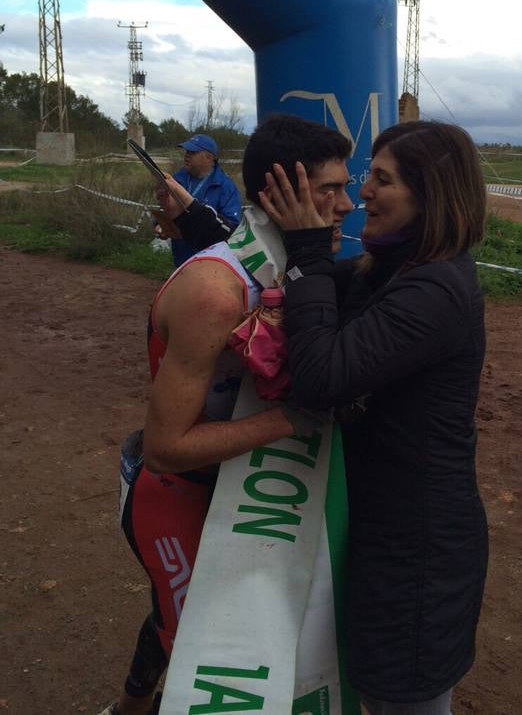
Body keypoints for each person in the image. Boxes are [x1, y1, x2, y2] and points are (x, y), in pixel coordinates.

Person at [99, 116, 353, 715]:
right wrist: (293, 420)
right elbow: (166, 446)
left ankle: (130, 707)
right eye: (330, 190)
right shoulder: (217, 292)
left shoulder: (283, 262)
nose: (348, 204)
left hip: (237, 489)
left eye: (348, 187)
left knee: (185, 619)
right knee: (204, 646)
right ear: (280, 194)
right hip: (176, 492)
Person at [260, 120, 489, 715]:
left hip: (419, 549)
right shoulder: (392, 267)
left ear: (430, 194)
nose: (362, 194)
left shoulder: (437, 288)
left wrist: (308, 251)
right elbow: (322, 293)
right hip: (388, 526)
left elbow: (321, 378)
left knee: (402, 690)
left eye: (381, 181)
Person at [156, 133, 242, 267]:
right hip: (181, 261)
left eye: (193, 152)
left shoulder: (226, 187)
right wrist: (161, 224)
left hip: (211, 264)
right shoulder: (177, 179)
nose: (187, 155)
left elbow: (232, 228)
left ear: (209, 158)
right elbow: (165, 208)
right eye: (187, 151)